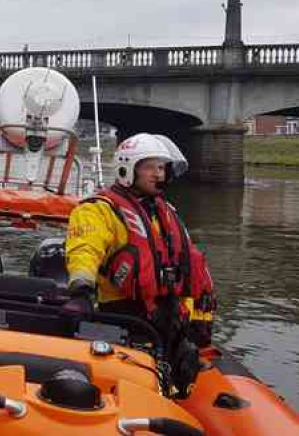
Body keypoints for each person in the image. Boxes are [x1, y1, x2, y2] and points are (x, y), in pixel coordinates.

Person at [63, 133, 216, 395]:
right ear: (127, 169)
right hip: (124, 318)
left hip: (169, 319)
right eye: (149, 167)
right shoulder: (99, 210)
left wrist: (199, 320)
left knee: (180, 381)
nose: (158, 174)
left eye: (161, 167)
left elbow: (189, 268)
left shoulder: (165, 213)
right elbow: (85, 249)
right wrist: (81, 290)